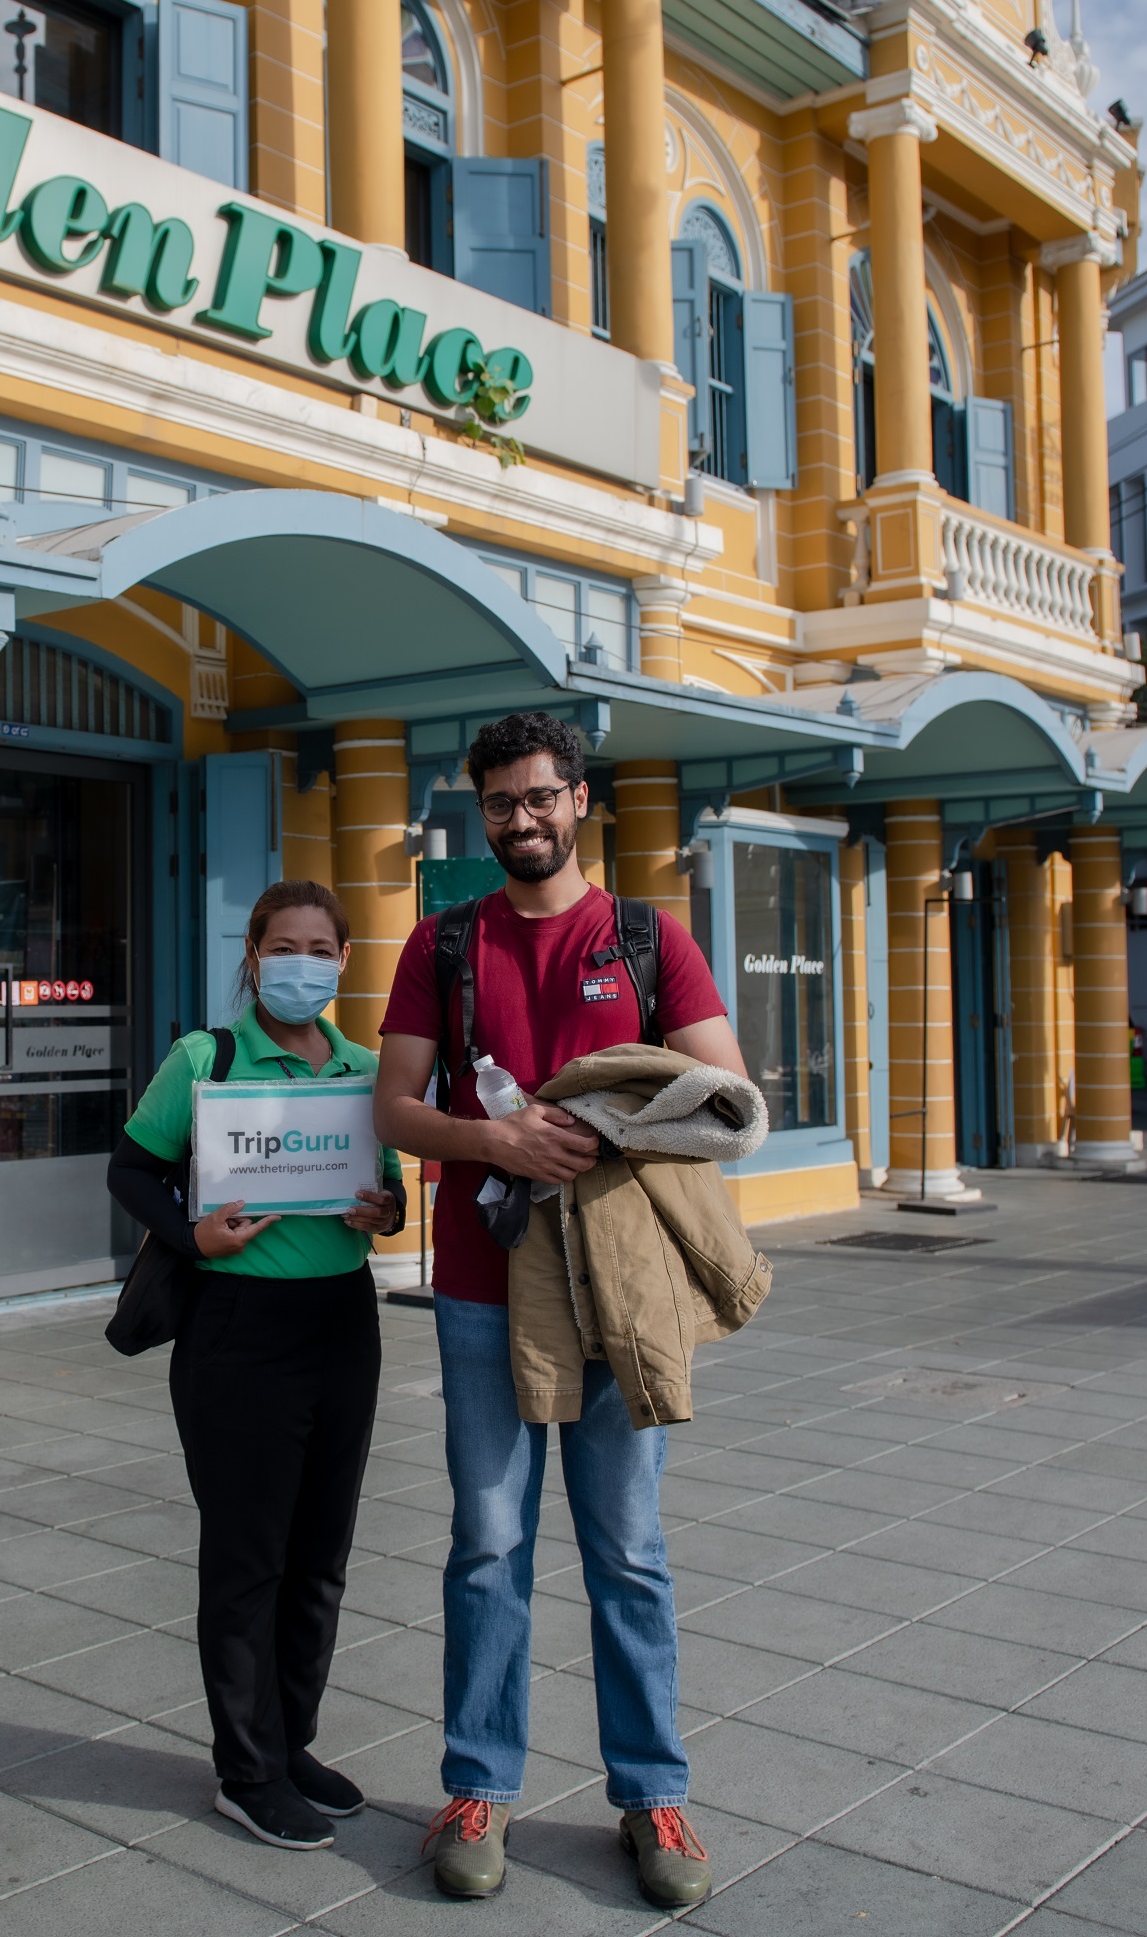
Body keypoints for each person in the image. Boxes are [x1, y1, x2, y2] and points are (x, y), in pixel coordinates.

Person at [370, 712, 745, 1910]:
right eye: (498, 803)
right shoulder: (442, 942)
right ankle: (478, 1781)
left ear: (580, 799)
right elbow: (393, 1105)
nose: (520, 820)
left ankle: (651, 1790)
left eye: (539, 797)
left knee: (628, 1550)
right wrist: (496, 1135)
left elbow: (732, 1102)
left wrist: (600, 1126)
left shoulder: (648, 938)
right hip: (482, 1288)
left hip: (617, 1291)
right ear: (479, 812)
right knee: (487, 1543)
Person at [105, 879, 406, 1852]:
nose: (302, 962)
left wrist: (385, 1212)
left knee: (320, 1557)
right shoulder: (209, 1056)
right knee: (248, 1560)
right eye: (285, 945)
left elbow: (391, 1193)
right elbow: (132, 1167)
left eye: (320, 945)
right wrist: (192, 1235)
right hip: (237, 1330)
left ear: (343, 959)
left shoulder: (367, 1069)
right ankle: (245, 1768)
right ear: (253, 952)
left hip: (342, 1323)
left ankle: (291, 1740)